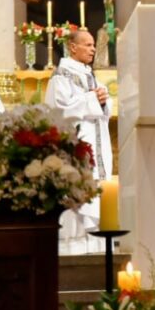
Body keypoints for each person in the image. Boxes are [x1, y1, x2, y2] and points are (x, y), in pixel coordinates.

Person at [44, 28, 112, 253]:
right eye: (88, 44)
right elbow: (58, 112)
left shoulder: (89, 74)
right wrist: (92, 99)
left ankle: (96, 245)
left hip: (97, 142)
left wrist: (102, 101)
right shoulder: (62, 75)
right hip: (78, 144)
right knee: (77, 193)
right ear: (73, 47)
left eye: (93, 45)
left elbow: (102, 110)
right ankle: (74, 248)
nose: (93, 49)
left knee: (96, 191)